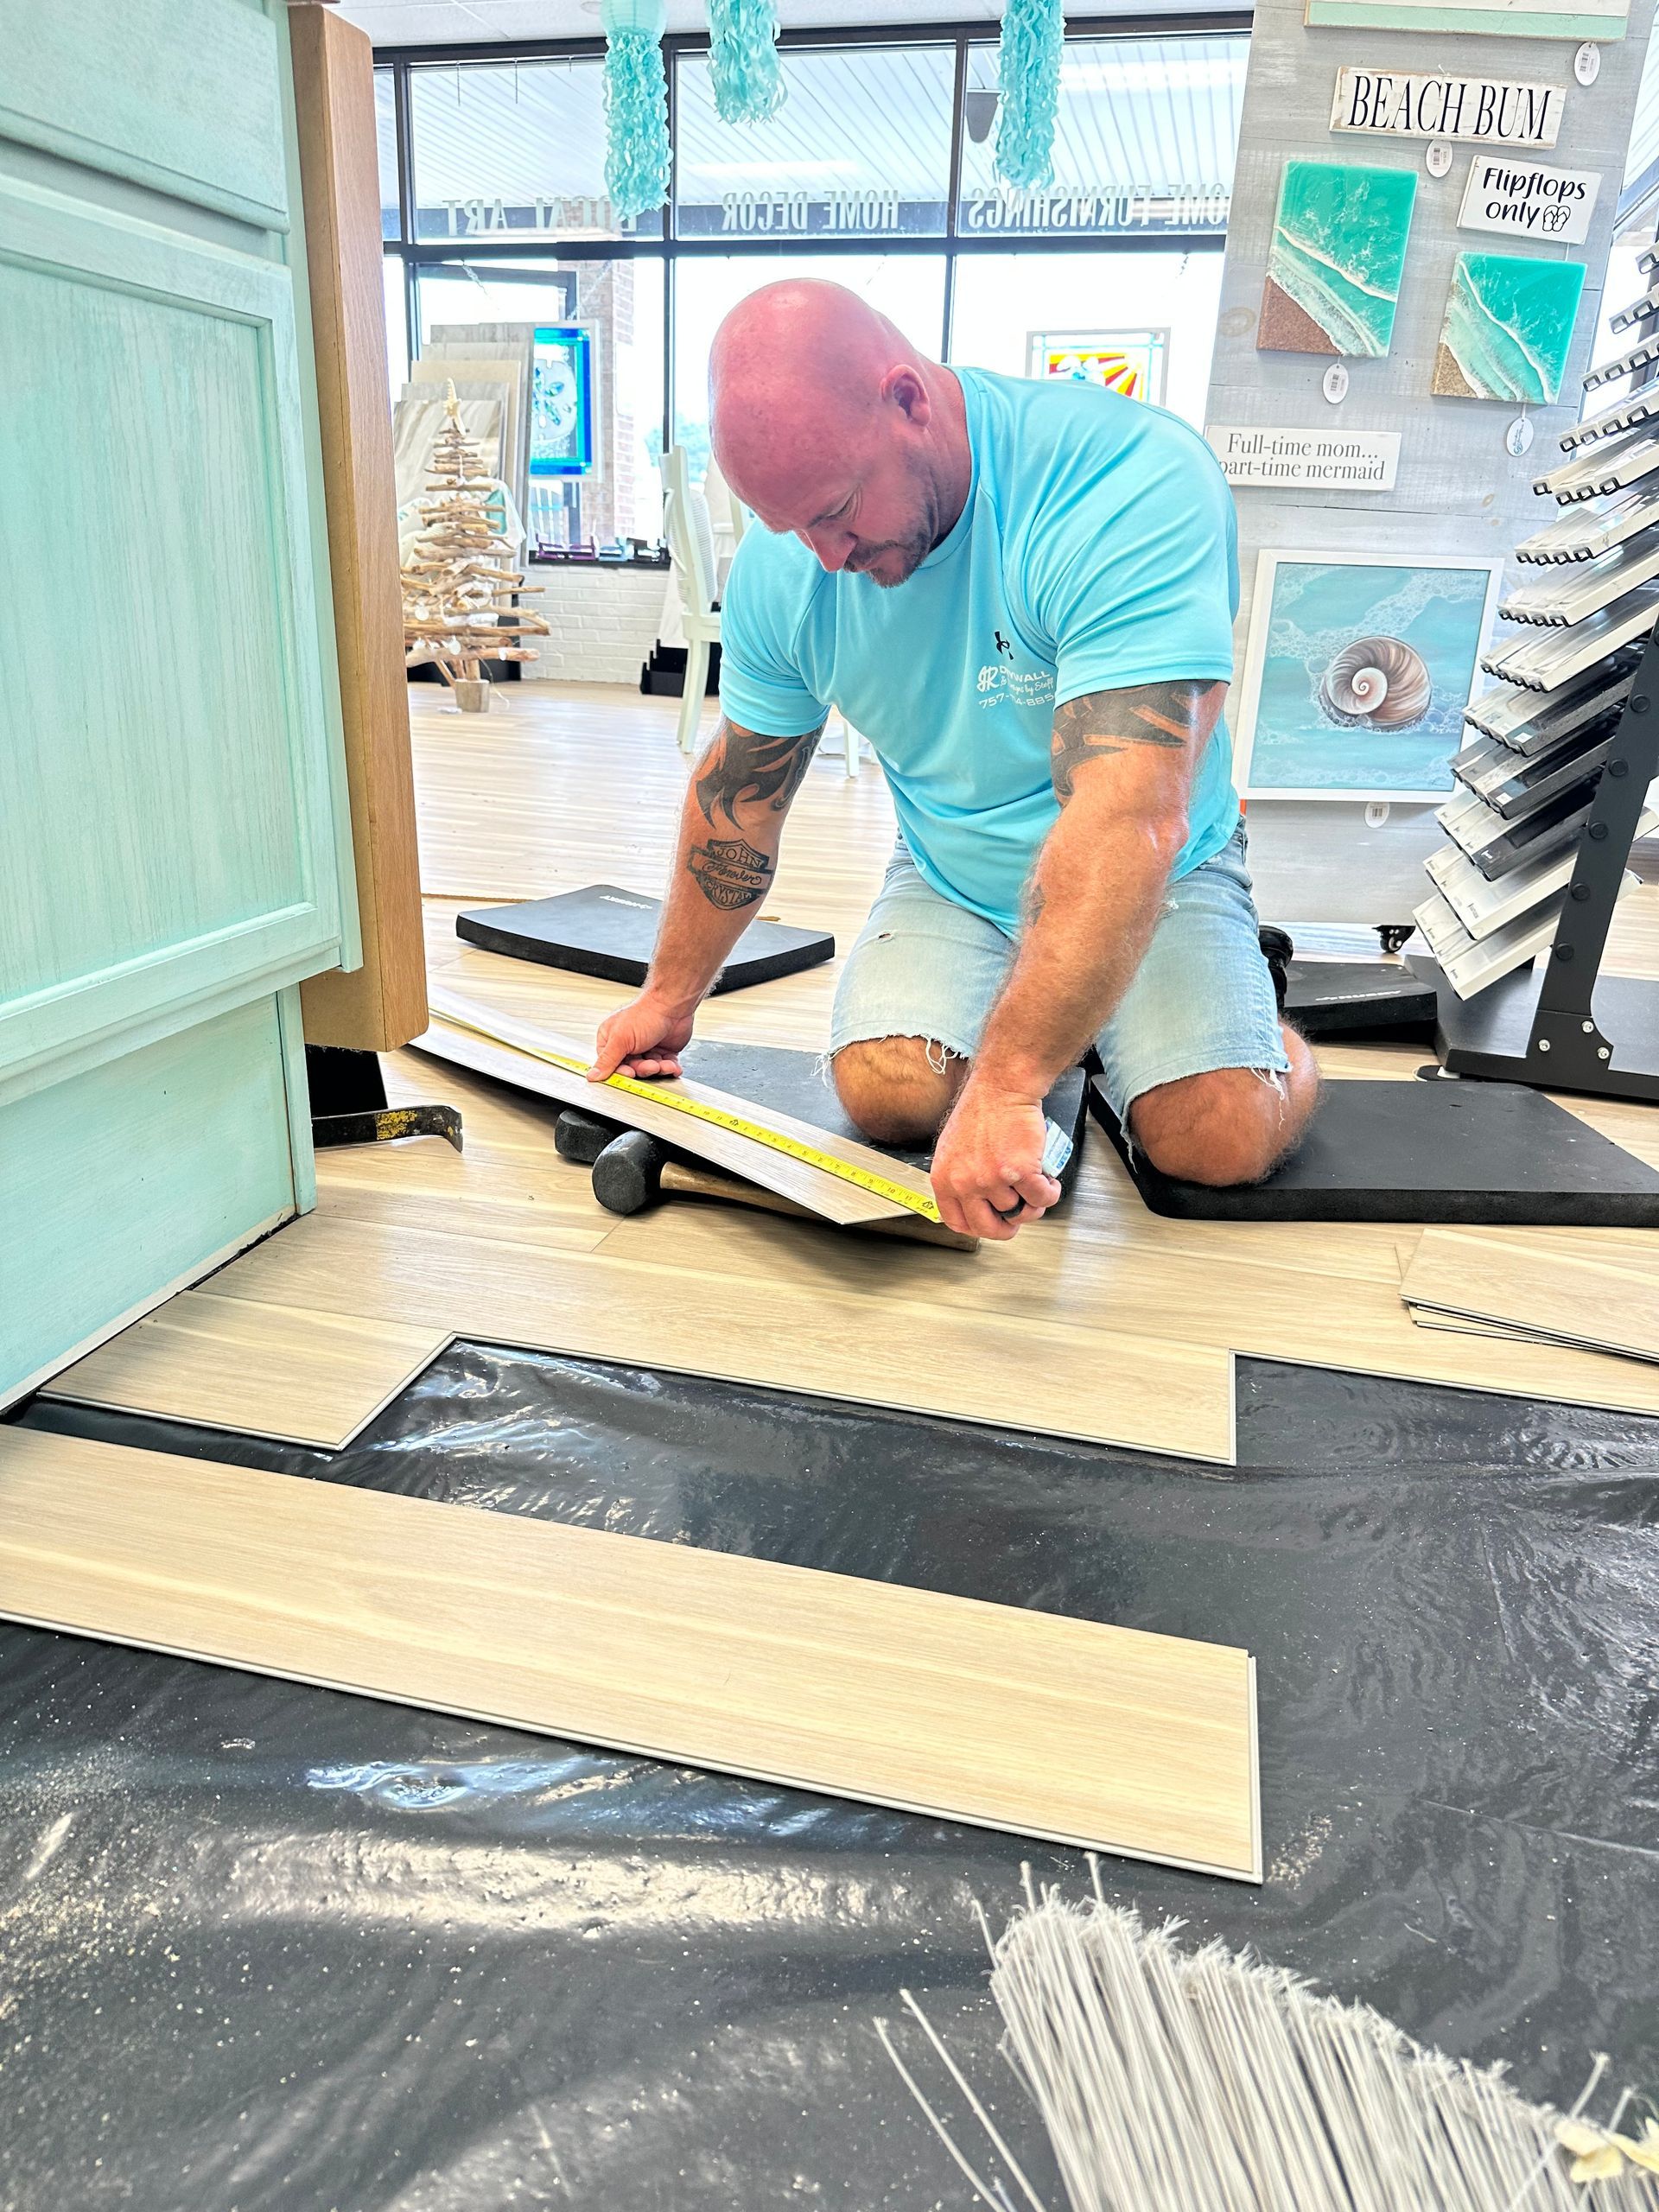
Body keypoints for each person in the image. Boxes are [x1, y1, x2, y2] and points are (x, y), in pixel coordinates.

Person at [591, 280, 1319, 1242]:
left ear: (908, 400)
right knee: (887, 1091)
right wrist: (667, 999)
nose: (829, 554)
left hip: (1156, 869)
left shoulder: (1125, 483)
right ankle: (1074, 1022)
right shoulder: (796, 564)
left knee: (1214, 1136)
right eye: (793, 527)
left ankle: (1241, 1023)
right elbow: (740, 800)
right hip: (956, 869)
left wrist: (1011, 1087)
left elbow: (1128, 819)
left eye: (840, 510)